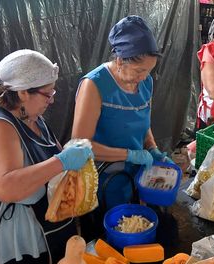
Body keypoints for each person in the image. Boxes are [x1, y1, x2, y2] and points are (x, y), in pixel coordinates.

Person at [0, 49, 93, 264]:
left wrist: (70, 154)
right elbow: (7, 188)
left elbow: (50, 152)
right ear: (23, 92)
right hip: (15, 236)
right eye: (48, 93)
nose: (52, 100)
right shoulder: (0, 128)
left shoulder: (31, 115)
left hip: (44, 222)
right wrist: (61, 161)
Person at [72, 16, 171, 212]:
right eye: (138, 70)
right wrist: (130, 155)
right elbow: (79, 145)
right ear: (119, 60)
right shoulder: (94, 85)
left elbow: (143, 121)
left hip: (136, 174)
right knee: (110, 228)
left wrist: (152, 148)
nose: (143, 77)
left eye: (149, 70)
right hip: (104, 177)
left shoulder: (145, 82)